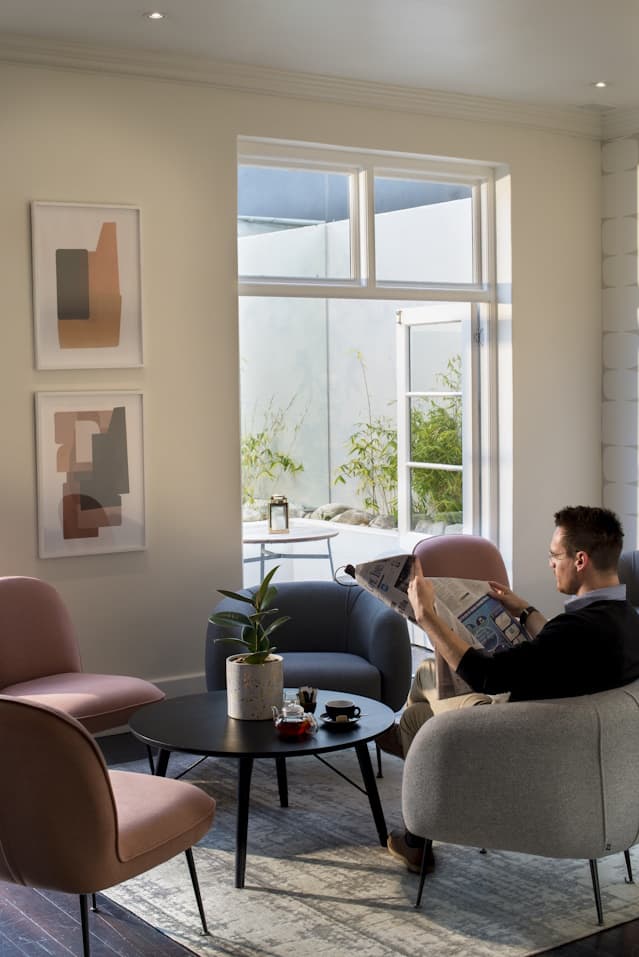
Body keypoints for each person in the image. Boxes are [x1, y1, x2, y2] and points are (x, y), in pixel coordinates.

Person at [385, 505, 639, 874]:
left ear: (580, 560)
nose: (550, 564)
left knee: (426, 672)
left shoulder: (575, 630)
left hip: (511, 739)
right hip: (576, 755)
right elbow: (563, 650)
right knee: (418, 719)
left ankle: (417, 835)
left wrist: (427, 617)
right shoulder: (626, 620)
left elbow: (485, 675)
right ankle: (415, 821)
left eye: (555, 556)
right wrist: (524, 611)